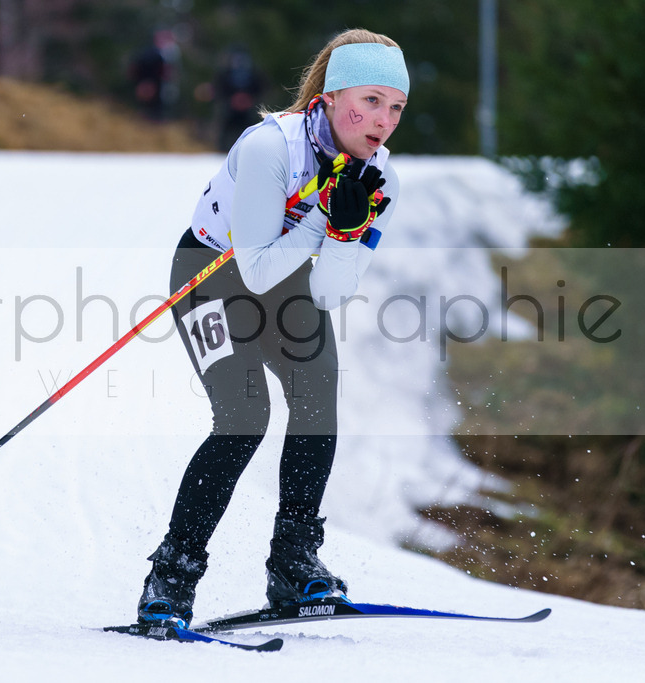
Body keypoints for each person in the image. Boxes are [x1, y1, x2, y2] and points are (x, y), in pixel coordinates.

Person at [136, 28, 409, 627]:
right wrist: (322, 224)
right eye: (369, 100)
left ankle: (293, 563)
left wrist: (344, 232)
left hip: (287, 284)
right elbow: (254, 269)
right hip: (209, 274)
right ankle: (172, 574)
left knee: (318, 392)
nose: (382, 120)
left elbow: (333, 290)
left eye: (396, 106)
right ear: (332, 97)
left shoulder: (377, 180)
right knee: (243, 416)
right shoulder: (269, 148)